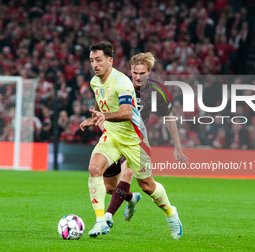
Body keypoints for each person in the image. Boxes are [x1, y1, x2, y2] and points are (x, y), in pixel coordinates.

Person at [80, 42, 184, 240]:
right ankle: (101, 220)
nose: (94, 64)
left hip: (135, 140)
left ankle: (171, 213)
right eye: (92, 60)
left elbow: (128, 113)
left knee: (146, 186)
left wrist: (177, 146)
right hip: (111, 136)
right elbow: (99, 104)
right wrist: (94, 119)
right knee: (97, 172)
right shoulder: (95, 81)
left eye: (98, 60)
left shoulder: (123, 83)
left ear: (110, 61)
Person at [102, 52, 188, 228]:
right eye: (135, 73)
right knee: (111, 188)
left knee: (134, 177)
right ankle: (131, 198)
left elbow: (169, 118)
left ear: (149, 71)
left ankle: (107, 218)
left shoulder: (157, 91)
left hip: (136, 140)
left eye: (142, 73)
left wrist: (178, 147)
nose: (138, 77)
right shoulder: (120, 86)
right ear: (130, 71)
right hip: (115, 137)